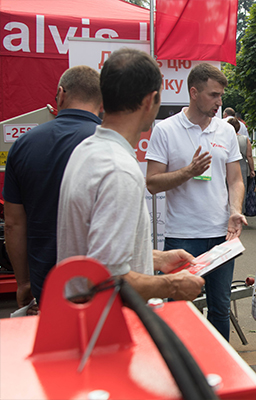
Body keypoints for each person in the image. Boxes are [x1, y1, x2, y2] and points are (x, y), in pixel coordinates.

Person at [57, 48, 205, 302]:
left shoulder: (86, 150)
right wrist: (171, 285)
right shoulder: (119, 170)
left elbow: (98, 253)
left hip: (85, 321)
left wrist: (155, 257)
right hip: (107, 327)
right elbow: (107, 278)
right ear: (151, 100)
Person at [145, 63, 247, 340]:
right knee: (179, 309)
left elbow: (236, 180)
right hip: (182, 237)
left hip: (221, 237)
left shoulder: (225, 131)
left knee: (220, 308)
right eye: (213, 95)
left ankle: (221, 373)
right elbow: (152, 182)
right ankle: (183, 374)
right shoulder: (166, 130)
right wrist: (188, 172)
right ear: (193, 92)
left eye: (221, 96)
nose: (219, 102)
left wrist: (235, 210)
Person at [3, 66, 103, 314]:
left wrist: (24, 282)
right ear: (102, 102)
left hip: (45, 283)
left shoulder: (23, 144)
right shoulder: (109, 145)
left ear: (60, 94)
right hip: (98, 282)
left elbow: (13, 224)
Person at [227, 117, 255, 214]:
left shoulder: (225, 139)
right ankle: (240, 212)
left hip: (228, 168)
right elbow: (249, 156)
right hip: (242, 168)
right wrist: (252, 170)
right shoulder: (245, 139)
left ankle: (228, 211)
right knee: (241, 190)